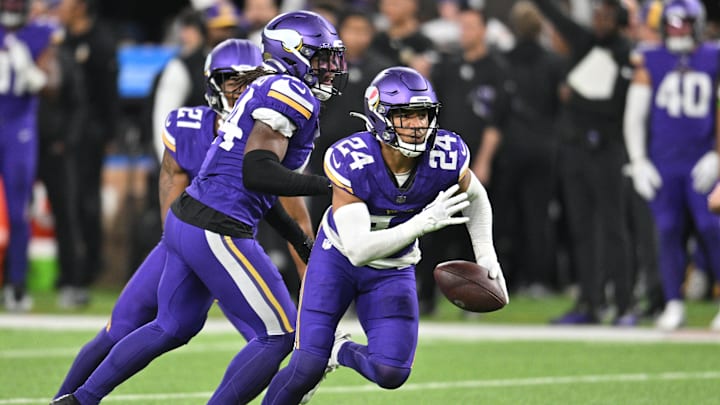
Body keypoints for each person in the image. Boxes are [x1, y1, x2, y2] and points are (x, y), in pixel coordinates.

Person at [51, 10, 347, 405]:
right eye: (320, 56)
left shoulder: (272, 88)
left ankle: (79, 399)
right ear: (292, 53)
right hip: (219, 226)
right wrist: (334, 186)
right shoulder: (290, 92)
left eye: (331, 57)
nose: (329, 67)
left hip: (189, 219)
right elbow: (258, 173)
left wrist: (297, 238)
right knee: (278, 335)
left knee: (174, 324)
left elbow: (255, 185)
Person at [261, 66, 508, 405]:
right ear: (379, 116)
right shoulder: (352, 159)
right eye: (406, 116)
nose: (417, 125)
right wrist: (420, 223)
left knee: (392, 372)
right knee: (305, 365)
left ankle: (341, 349)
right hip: (338, 262)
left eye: (423, 115)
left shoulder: (445, 154)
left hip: (393, 268)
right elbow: (359, 250)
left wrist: (486, 254)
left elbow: (476, 198)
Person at [532, 0, 637, 325]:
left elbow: (618, 106)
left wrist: (575, 97)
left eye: (607, 15)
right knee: (580, 228)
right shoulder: (584, 41)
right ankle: (589, 303)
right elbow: (554, 15)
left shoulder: (627, 53)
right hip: (573, 149)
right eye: (597, 14)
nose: (599, 20)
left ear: (619, 19)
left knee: (613, 227)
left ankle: (624, 304)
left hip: (606, 149)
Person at [623, 0, 720, 330]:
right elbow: (634, 115)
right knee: (666, 231)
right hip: (664, 162)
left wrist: (717, 154)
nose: (678, 31)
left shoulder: (712, 56)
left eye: (684, 24)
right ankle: (673, 302)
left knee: (712, 228)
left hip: (701, 159)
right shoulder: (650, 58)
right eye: (673, 24)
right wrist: (638, 161)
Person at [55, 0, 120, 307]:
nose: (59, 7)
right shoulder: (62, 39)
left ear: (81, 6)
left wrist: (108, 133)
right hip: (64, 133)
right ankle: (70, 268)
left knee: (86, 201)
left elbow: (109, 92)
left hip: (90, 134)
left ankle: (90, 267)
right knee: (67, 202)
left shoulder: (101, 42)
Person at [1, 0, 57, 311]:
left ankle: (17, 284)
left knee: (18, 210)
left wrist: (34, 72)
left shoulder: (41, 32)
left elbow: (52, 84)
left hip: (18, 129)